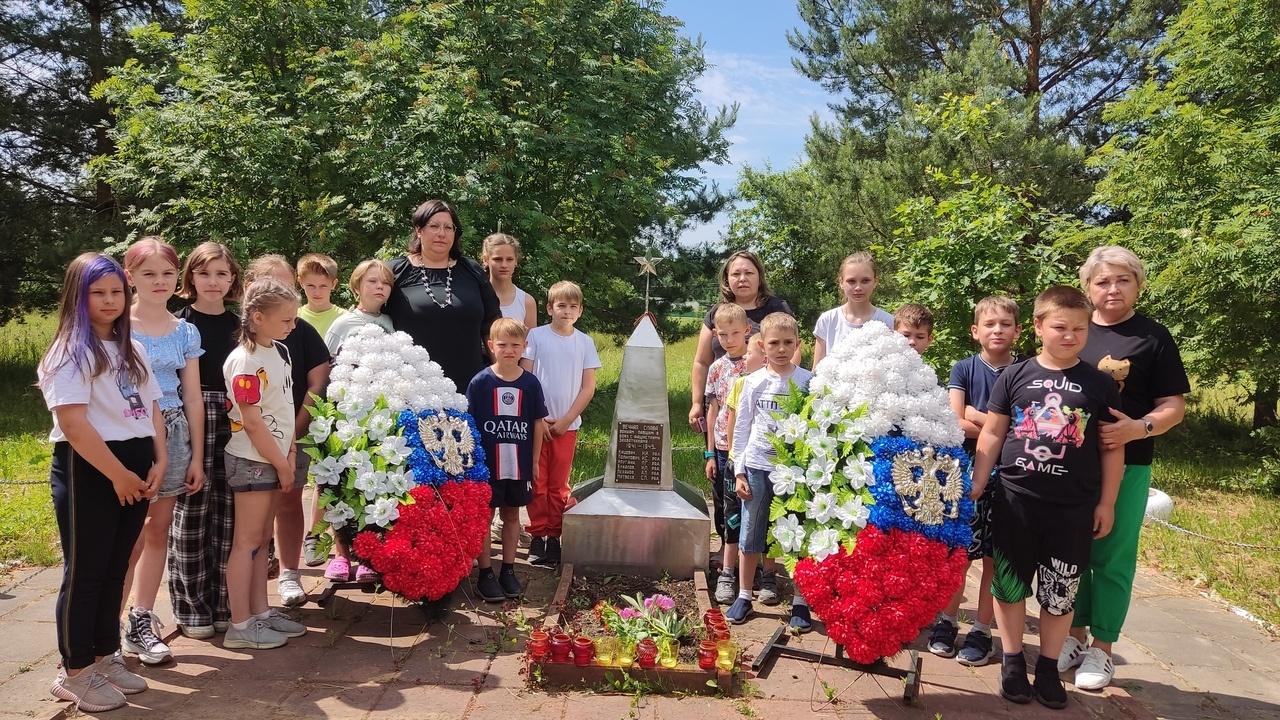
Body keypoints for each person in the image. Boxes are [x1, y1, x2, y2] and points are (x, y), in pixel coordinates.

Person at [970, 286, 1124, 709]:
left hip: (1072, 508)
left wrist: (1106, 502)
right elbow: (994, 431)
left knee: (1061, 592)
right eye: (1060, 327)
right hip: (1015, 500)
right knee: (1009, 584)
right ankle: (1014, 660)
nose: (1070, 335)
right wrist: (979, 481)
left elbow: (1112, 447)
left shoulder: (1099, 385)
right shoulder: (1014, 376)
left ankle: (1049, 666)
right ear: (1038, 327)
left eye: (1079, 328)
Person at [39, 252, 165, 712]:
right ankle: (73, 671)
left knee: (117, 567)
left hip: (136, 465)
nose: (110, 300)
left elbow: (152, 407)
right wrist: (117, 474)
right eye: (98, 292)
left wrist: (159, 460)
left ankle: (103, 655)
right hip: (91, 467)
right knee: (86, 571)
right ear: (78, 296)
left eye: (117, 291)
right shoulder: (68, 352)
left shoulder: (132, 348)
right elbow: (74, 424)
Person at [1061, 246, 1189, 690]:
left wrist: (1141, 428)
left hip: (1130, 463)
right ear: (1088, 288)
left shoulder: (1153, 337)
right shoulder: (1074, 329)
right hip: (1069, 463)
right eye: (1102, 281)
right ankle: (1071, 637)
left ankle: (1103, 647)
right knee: (1070, 551)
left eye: (1122, 280)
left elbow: (1174, 405)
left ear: (1138, 284)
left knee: (1112, 556)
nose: (1112, 289)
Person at [120, 238, 205, 667]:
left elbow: (192, 397)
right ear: (130, 276)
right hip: (129, 432)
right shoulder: (117, 326)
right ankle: (104, 631)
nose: (159, 282)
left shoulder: (184, 330)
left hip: (173, 431)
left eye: (167, 273)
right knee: (127, 537)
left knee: (158, 531)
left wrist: (195, 455)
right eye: (149, 273)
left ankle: (141, 620)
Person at [931, 296, 1021, 665]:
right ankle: (947, 619)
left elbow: (1024, 428)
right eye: (989, 324)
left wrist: (977, 415)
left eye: (1005, 324)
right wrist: (1000, 424)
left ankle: (982, 629)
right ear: (975, 331)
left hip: (1013, 471)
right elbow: (956, 423)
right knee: (960, 551)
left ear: (1018, 330)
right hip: (968, 469)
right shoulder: (964, 369)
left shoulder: (1026, 371)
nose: (997, 330)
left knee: (995, 556)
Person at [221, 278, 309, 649]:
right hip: (254, 460)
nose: (293, 325)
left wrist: (288, 455)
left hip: (276, 458)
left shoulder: (280, 352)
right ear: (257, 316)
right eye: (286, 319)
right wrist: (282, 463)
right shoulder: (245, 361)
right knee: (247, 541)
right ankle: (239, 625)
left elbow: (284, 410)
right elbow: (253, 421)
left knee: (262, 541)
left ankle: (260, 612)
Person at [244, 256, 332, 603]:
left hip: (292, 432)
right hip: (246, 437)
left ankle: (289, 574)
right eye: (269, 282)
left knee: (288, 499)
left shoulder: (299, 329)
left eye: (284, 284)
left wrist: (296, 428)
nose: (278, 290)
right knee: (251, 509)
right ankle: (249, 587)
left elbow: (318, 376)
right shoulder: (241, 335)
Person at [172, 242, 242, 639]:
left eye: (221, 273)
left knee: (228, 515)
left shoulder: (240, 326)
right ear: (190, 278)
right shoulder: (179, 325)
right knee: (191, 515)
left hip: (234, 421)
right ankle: (190, 604)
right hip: (190, 419)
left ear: (232, 278)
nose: (213, 282)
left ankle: (223, 602)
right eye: (204, 273)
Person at [729, 313, 814, 631]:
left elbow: (815, 429)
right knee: (750, 531)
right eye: (774, 343)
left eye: (788, 343)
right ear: (762, 345)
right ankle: (744, 595)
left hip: (794, 472)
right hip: (757, 468)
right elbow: (742, 429)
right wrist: (739, 471)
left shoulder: (809, 382)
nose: (781, 349)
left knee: (795, 536)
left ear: (797, 345)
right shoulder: (752, 382)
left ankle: (801, 602)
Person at [467, 318, 548, 601]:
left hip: (519, 465)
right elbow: (471, 426)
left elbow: (538, 424)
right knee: (485, 517)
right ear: (491, 346)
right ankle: (486, 572)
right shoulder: (480, 382)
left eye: (516, 345)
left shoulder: (530, 384)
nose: (509, 350)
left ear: (524, 347)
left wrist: (535, 461)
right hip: (488, 468)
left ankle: (509, 569)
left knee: (512, 515)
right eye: (503, 344)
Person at [520, 281, 600, 566]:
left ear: (580, 311)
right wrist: (539, 418)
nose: (566, 311)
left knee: (558, 484)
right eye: (561, 306)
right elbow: (526, 380)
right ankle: (538, 534)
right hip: (538, 423)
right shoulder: (536, 337)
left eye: (572, 306)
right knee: (537, 480)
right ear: (549, 308)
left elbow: (588, 387)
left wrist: (566, 420)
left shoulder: (585, 342)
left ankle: (555, 535)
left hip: (567, 426)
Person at [385, 198, 502, 392]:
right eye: (434, 226)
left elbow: (493, 327)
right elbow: (370, 318)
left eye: (449, 228)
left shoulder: (472, 271)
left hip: (471, 387)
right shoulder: (395, 271)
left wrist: (501, 376)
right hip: (410, 390)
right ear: (419, 230)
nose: (441, 233)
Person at [688, 250, 797, 432]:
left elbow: (793, 351)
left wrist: (783, 389)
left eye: (749, 273)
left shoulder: (777, 308)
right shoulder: (716, 313)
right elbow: (701, 362)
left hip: (766, 402)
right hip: (721, 406)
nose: (742, 278)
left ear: (759, 277)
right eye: (736, 274)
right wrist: (696, 403)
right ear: (727, 279)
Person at [702, 304, 751, 604]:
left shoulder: (758, 363)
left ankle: (759, 569)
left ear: (747, 330)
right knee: (727, 509)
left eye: (735, 332)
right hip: (722, 449)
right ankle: (727, 571)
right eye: (722, 334)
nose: (729, 339)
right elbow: (713, 410)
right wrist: (709, 453)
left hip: (752, 449)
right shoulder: (717, 368)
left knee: (755, 510)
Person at [715, 331, 765, 605]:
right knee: (733, 519)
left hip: (766, 465)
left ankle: (765, 574)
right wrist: (736, 461)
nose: (744, 357)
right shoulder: (741, 384)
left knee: (761, 521)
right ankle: (727, 573)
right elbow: (735, 425)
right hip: (739, 463)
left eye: (750, 354)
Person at [811, 252, 895, 367]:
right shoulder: (828, 320)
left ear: (875, 282)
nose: (858, 288)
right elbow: (817, 371)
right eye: (851, 281)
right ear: (841, 282)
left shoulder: (888, 322)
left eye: (865, 281)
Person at [325, 259, 395, 356]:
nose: (380, 286)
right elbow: (325, 365)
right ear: (357, 287)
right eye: (372, 281)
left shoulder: (392, 322)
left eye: (386, 282)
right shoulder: (343, 323)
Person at [482, 233, 537, 328]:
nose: (504, 265)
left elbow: (530, 342)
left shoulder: (526, 302)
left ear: (516, 261)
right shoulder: (476, 297)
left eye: (509, 259)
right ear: (486, 260)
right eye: (498, 259)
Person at [296, 254, 346, 339]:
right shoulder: (293, 317)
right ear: (301, 283)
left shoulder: (345, 318)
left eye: (323, 286)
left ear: (333, 284)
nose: (317, 292)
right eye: (311, 285)